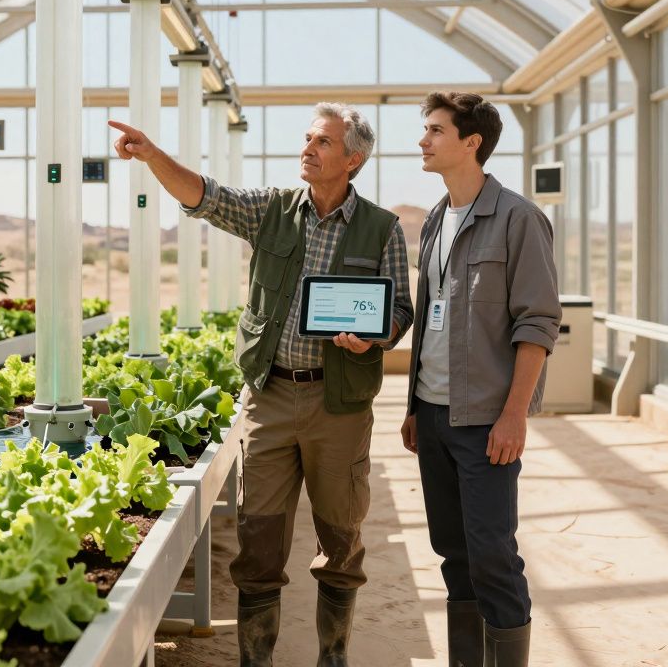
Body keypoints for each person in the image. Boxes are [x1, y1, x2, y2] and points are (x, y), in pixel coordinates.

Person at [110, 103, 413, 667]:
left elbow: (399, 308)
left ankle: (333, 658)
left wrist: (375, 335)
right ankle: (257, 662)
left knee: (341, 538)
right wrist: (151, 154)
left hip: (339, 405)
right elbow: (207, 196)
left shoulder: (382, 228)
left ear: (352, 159)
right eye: (307, 138)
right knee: (258, 540)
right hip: (269, 397)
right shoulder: (274, 211)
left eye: (321, 142)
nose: (307, 148)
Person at [401, 92, 560, 667]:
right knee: (452, 553)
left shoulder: (519, 219)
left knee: (492, 552)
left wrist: (515, 414)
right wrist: (416, 407)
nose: (423, 141)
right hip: (434, 414)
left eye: (435, 131)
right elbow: (431, 318)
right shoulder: (436, 220)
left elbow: (538, 323)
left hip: (486, 419)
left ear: (472, 143)